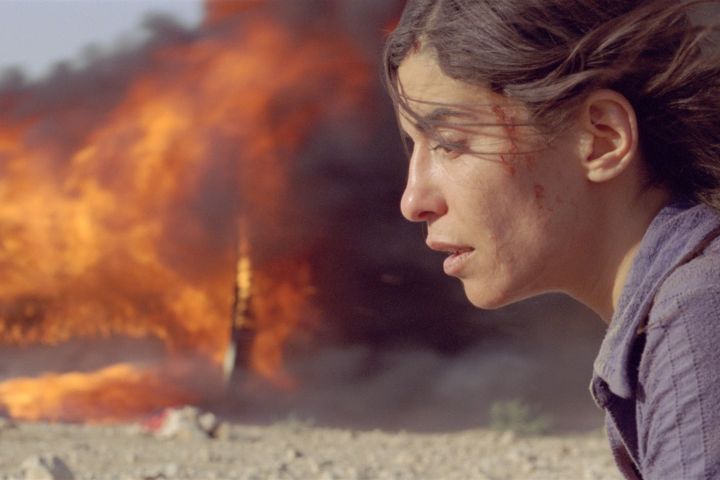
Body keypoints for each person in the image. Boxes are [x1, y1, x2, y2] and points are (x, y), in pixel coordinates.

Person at [383, 0, 720, 478]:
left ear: (602, 138)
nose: (413, 200)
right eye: (412, 146)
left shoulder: (698, 320)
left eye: (450, 143)